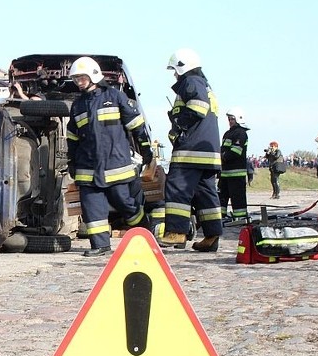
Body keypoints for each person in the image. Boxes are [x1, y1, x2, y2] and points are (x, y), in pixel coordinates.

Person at [66, 56, 153, 257]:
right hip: (88, 168)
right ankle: (100, 245)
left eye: (82, 77)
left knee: (125, 203)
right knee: (92, 208)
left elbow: (136, 125)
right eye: (76, 78)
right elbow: (72, 137)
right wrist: (72, 160)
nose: (79, 82)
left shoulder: (115, 97)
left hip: (116, 165)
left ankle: (143, 231)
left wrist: (146, 149)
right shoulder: (77, 105)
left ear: (94, 75)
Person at [159, 48, 223, 252]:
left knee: (177, 187)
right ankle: (212, 236)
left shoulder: (191, 82)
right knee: (205, 193)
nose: (174, 74)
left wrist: (179, 124)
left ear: (182, 66)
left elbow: (198, 107)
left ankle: (176, 232)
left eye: (175, 70)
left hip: (191, 150)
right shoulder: (204, 84)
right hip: (207, 151)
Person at [218, 107, 249, 223]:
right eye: (229, 119)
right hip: (225, 172)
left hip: (236, 172)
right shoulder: (228, 133)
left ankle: (240, 217)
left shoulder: (241, 133)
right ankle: (221, 215)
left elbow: (236, 151)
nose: (230, 121)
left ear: (238, 119)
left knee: (237, 196)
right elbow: (223, 148)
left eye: (232, 119)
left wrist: (222, 156)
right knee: (222, 195)